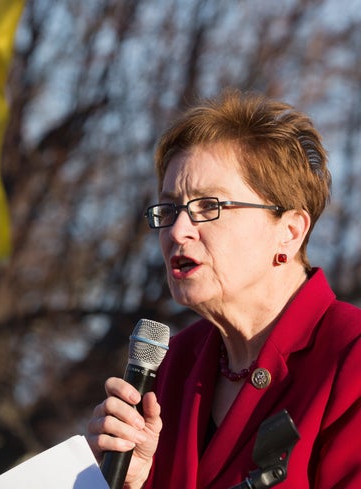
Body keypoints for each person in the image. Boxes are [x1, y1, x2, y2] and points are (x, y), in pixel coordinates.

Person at [85, 88, 361, 488]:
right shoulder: (172, 365)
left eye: (207, 207)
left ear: (289, 232)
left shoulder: (350, 357)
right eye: (170, 209)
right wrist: (132, 482)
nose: (178, 231)